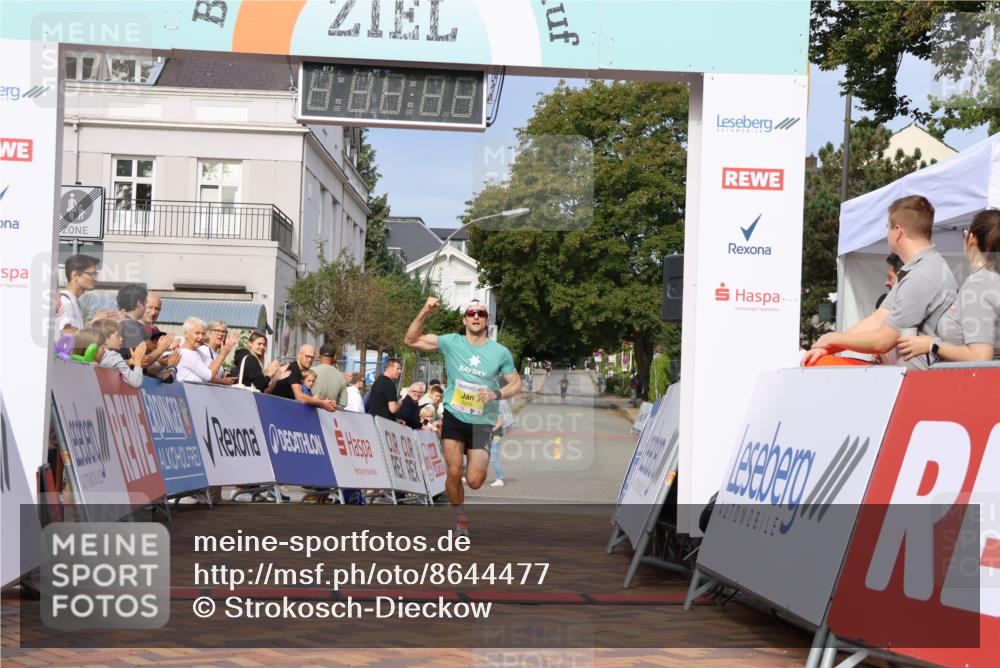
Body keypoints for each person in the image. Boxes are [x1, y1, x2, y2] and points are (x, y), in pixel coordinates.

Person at [405, 297, 520, 536]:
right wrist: (425, 309)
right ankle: (460, 519)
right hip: (455, 416)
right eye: (471, 313)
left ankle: (467, 492)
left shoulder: (499, 352)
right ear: (465, 319)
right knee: (455, 471)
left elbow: (516, 384)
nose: (476, 316)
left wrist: (496, 393)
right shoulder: (451, 342)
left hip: (482, 423)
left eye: (480, 313)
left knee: (475, 480)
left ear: (487, 320)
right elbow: (411, 340)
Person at [803, 195, 958, 369]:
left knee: (820, 365)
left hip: (921, 384)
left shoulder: (922, 275)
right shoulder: (919, 269)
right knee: (821, 361)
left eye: (887, 228)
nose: (886, 234)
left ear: (898, 231)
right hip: (906, 378)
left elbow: (882, 342)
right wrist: (829, 346)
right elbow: (878, 318)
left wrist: (833, 339)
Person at [898, 208, 1000, 363]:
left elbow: (980, 357)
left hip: (979, 384)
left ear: (972, 240)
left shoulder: (979, 284)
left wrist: (932, 344)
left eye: (964, 233)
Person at [55, 254, 117, 334]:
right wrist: (94, 323)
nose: (95, 279)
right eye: (92, 274)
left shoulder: (73, 301)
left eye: (96, 275)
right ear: (75, 275)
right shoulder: (64, 301)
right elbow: (68, 334)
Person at [272, 345, 337, 411]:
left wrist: (319, 402)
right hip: (276, 409)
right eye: (307, 356)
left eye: (312, 357)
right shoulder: (294, 369)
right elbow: (299, 397)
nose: (310, 360)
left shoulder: (297, 369)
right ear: (299, 355)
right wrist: (322, 403)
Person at [176, 317, 239, 383]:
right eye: (197, 333)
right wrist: (223, 354)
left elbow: (211, 365)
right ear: (186, 334)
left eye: (203, 334)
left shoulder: (196, 352)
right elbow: (209, 376)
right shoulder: (187, 353)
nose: (201, 337)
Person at [93, 319, 145, 388]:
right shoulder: (114, 356)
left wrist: (129, 362)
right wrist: (138, 362)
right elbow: (136, 382)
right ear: (104, 338)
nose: (121, 339)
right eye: (117, 336)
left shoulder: (96, 353)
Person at [198, 320, 238, 385]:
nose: (221, 334)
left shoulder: (216, 354)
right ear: (208, 333)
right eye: (217, 330)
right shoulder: (203, 350)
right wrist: (223, 381)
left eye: (224, 332)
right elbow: (206, 375)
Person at [311, 343, 349, 408]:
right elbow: (343, 403)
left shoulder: (310, 372)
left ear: (319, 355)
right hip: (329, 415)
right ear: (335, 357)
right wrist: (330, 407)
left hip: (311, 412)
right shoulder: (341, 377)